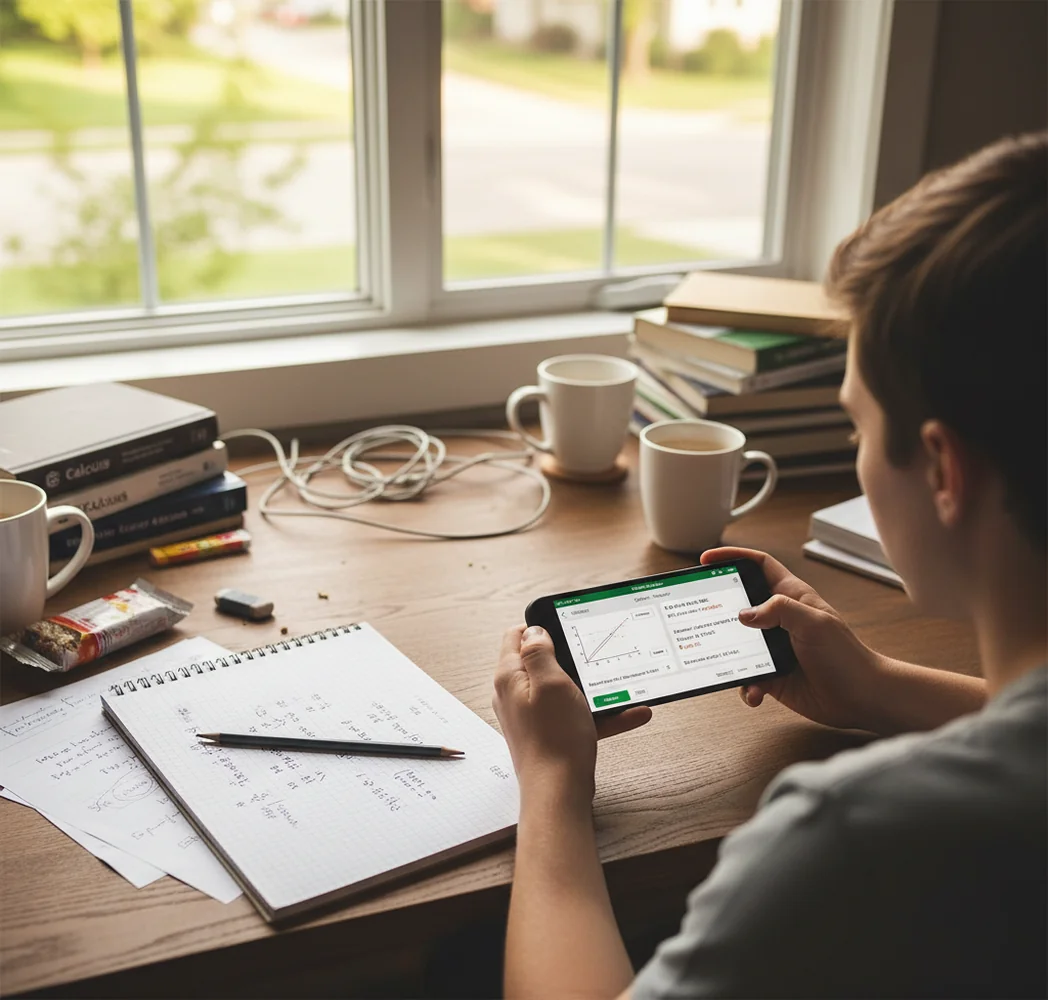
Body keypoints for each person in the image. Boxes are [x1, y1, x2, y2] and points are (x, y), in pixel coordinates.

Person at [492, 131, 1047, 999]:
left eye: (856, 426)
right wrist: (882, 688)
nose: (858, 450)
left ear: (943, 473)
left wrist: (552, 784)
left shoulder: (856, 836)